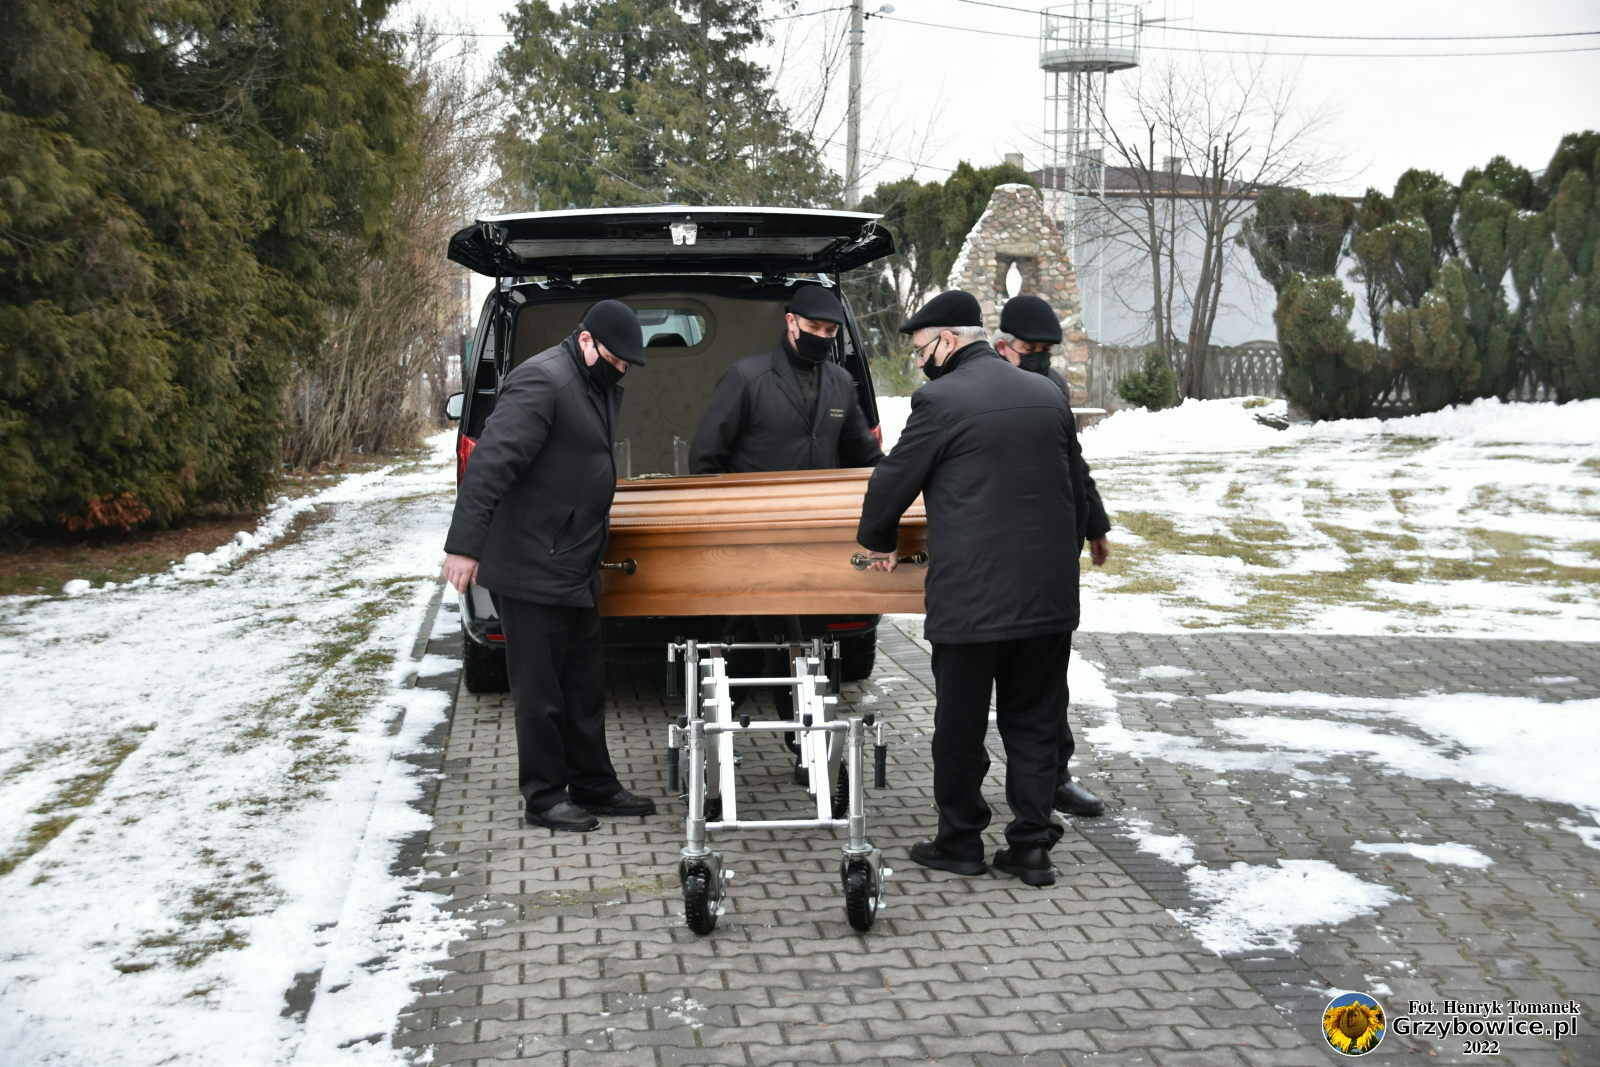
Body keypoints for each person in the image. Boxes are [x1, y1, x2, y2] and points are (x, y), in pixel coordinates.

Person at [856, 289, 1088, 887]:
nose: (920, 362)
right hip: (1047, 597)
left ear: (948, 340)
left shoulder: (941, 399)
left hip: (972, 598)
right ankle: (1031, 847)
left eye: (922, 350)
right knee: (1035, 721)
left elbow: (893, 478)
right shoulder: (1046, 393)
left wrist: (878, 540)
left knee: (960, 725)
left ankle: (960, 841)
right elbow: (1076, 488)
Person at [442, 300, 657, 833]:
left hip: (573, 560)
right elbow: (490, 464)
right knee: (541, 694)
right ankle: (543, 797)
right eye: (615, 358)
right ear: (585, 340)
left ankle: (594, 784)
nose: (621, 369)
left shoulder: (589, 382)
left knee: (584, 684)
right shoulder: (543, 381)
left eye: (627, 363)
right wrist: (464, 547)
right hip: (531, 563)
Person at [689, 285, 884, 725]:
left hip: (816, 538)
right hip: (754, 538)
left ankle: (713, 722)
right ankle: (801, 736)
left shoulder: (840, 383)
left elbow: (865, 457)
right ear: (791, 322)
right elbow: (705, 459)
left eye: (830, 331)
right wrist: (724, 530)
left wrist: (899, 487)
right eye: (814, 327)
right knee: (784, 637)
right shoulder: (746, 377)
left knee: (756, 636)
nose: (822, 336)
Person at [994, 294, 1111, 819]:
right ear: (1004, 345)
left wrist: (1095, 523)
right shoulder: (978, 386)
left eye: (1046, 350)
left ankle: (1055, 777)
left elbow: (1073, 463)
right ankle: (966, 797)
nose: (1039, 358)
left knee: (1047, 680)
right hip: (992, 555)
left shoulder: (1054, 389)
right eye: (1030, 349)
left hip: (1047, 555)